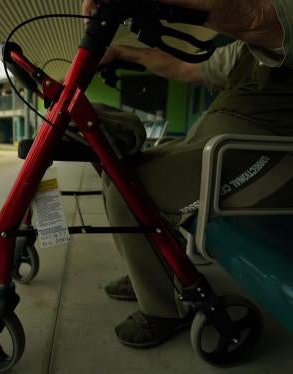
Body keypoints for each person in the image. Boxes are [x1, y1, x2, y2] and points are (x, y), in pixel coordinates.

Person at [81, 0, 293, 348]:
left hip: (263, 158)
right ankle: (156, 270)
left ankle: (163, 310)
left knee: (128, 190)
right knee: (118, 171)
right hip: (218, 147)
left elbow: (255, 17)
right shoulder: (242, 52)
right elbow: (182, 69)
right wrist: (123, 52)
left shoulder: (277, 20)